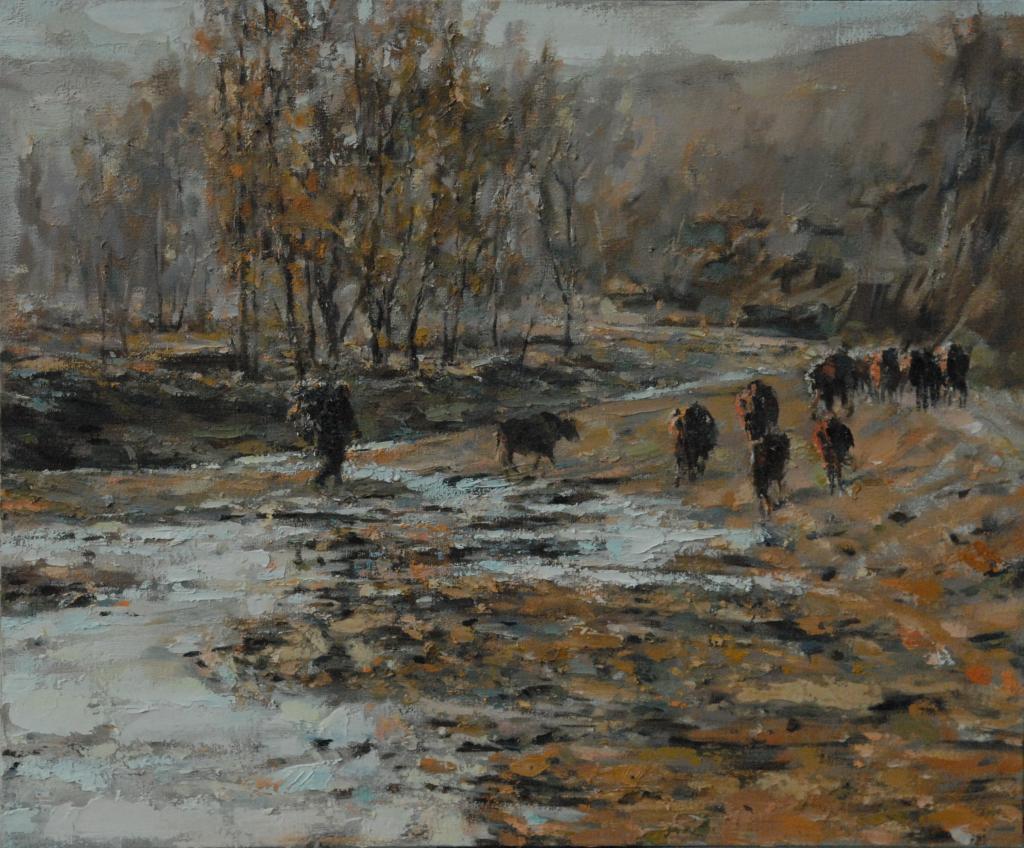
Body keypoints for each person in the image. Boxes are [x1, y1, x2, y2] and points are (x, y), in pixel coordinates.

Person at [289, 375, 362, 487]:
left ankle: (336, 481)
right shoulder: (341, 403)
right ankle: (320, 480)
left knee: (335, 458)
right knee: (336, 459)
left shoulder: (326, 402)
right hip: (334, 434)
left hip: (324, 434)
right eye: (347, 391)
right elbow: (349, 419)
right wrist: (355, 432)